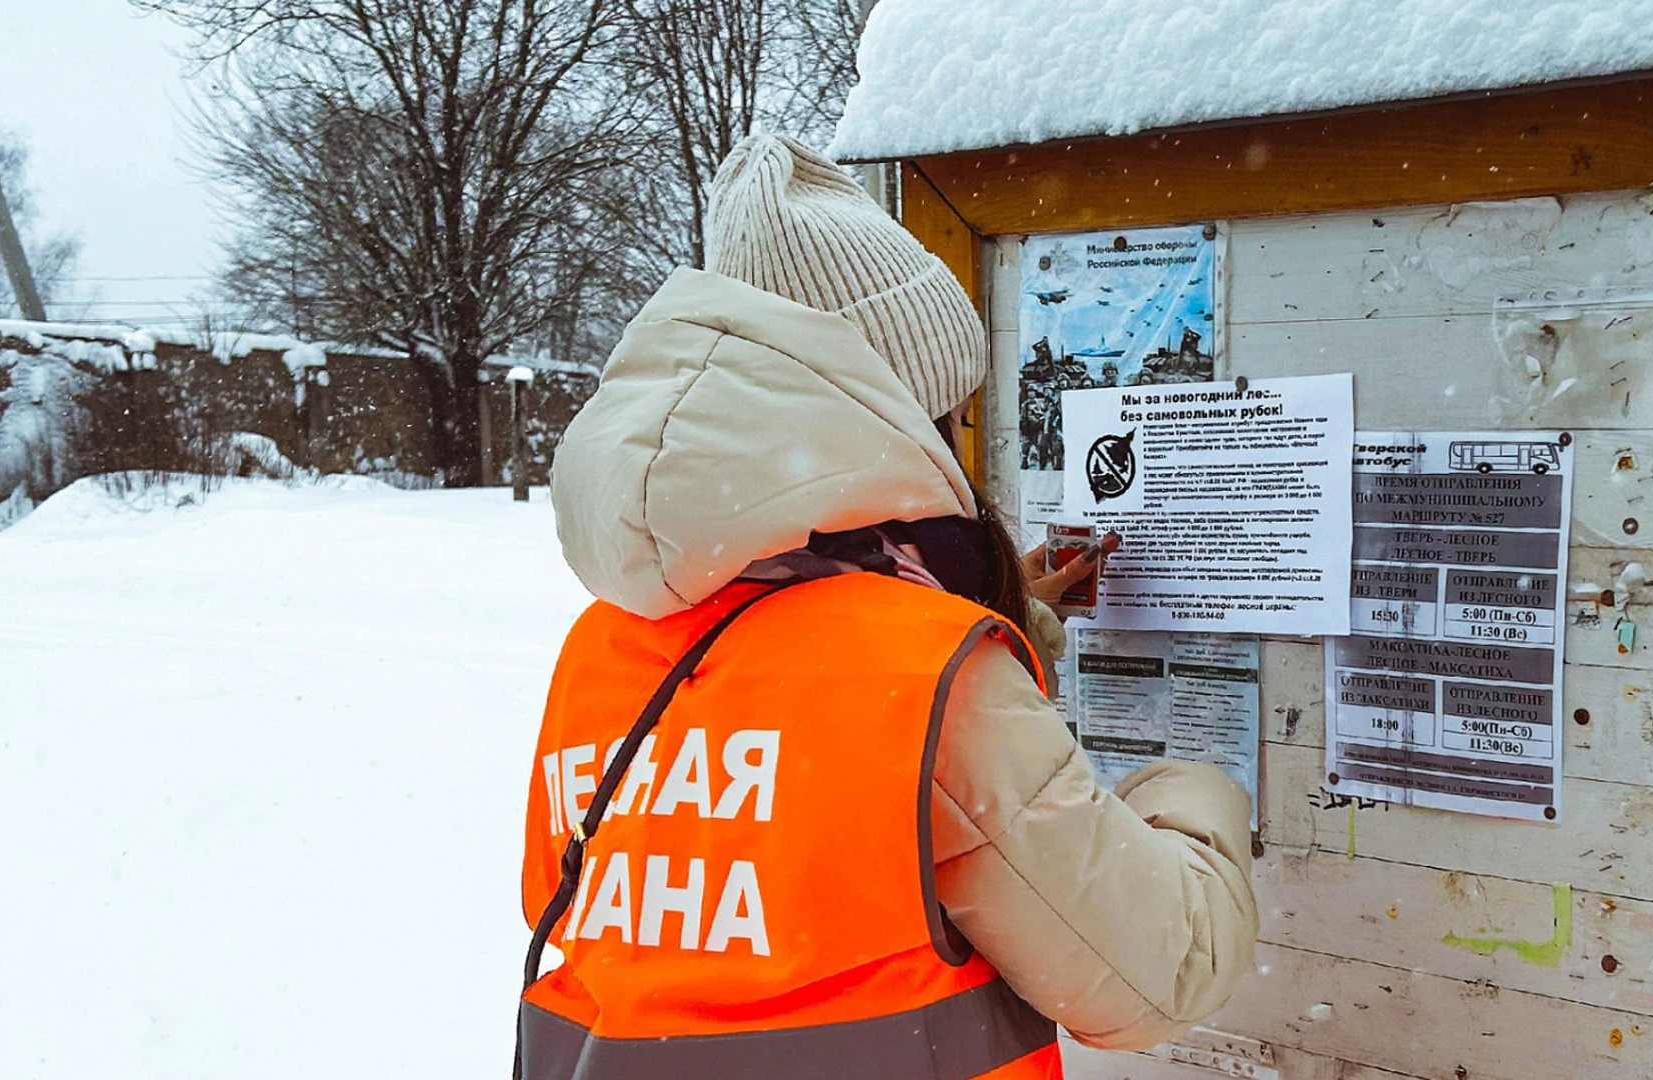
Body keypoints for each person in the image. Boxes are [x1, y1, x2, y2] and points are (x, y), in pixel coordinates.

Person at [518, 134, 1258, 1080]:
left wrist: (995, 622)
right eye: (948, 413)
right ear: (881, 411)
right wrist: (1197, 790)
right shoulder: (927, 684)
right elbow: (1161, 973)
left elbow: (795, 782)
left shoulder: (608, 646)